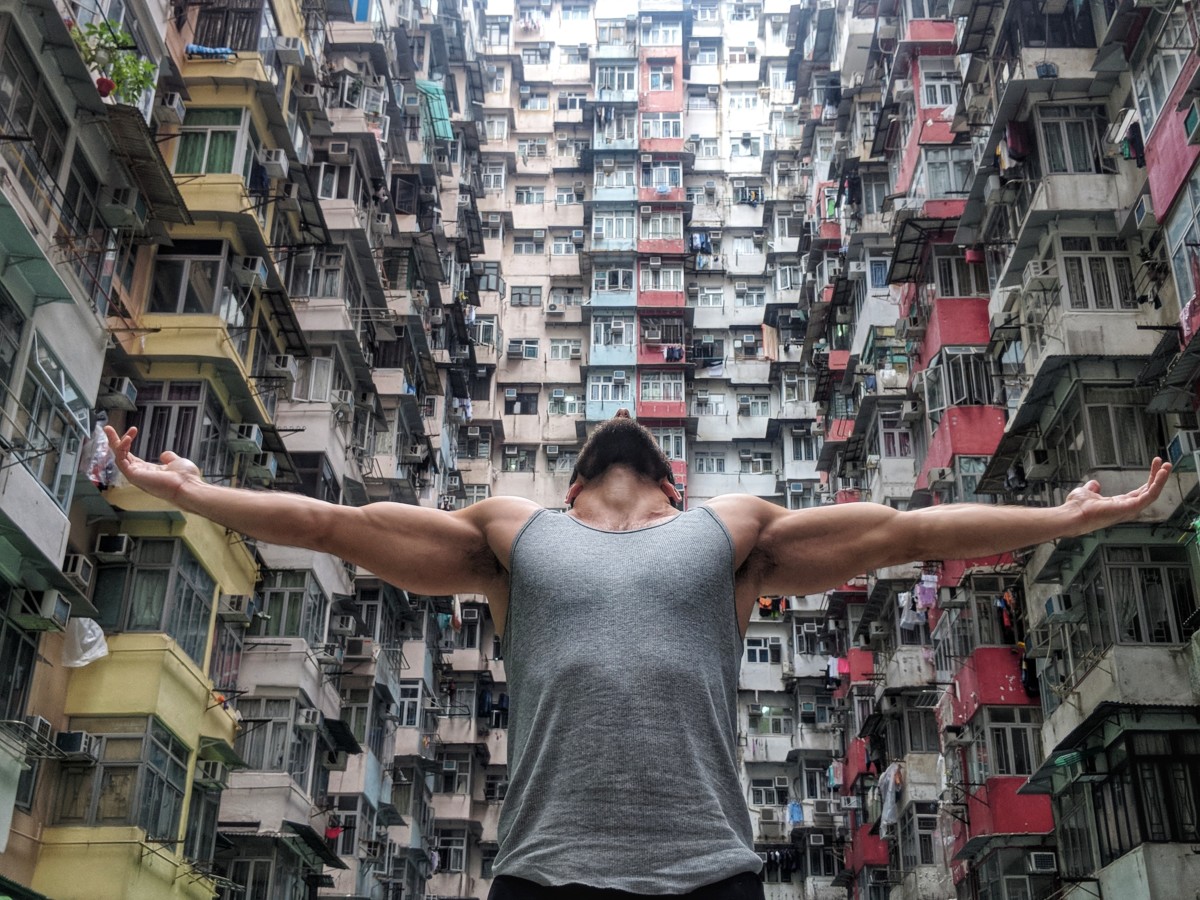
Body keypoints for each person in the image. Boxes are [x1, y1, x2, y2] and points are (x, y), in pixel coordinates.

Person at [104, 413, 1171, 899]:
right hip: (542, 872)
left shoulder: (733, 535)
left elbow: (906, 531)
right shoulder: (512, 536)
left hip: (706, 873)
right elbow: (332, 522)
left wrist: (1056, 521)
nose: (616, 442)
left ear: (675, 481)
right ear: (570, 485)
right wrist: (194, 495)